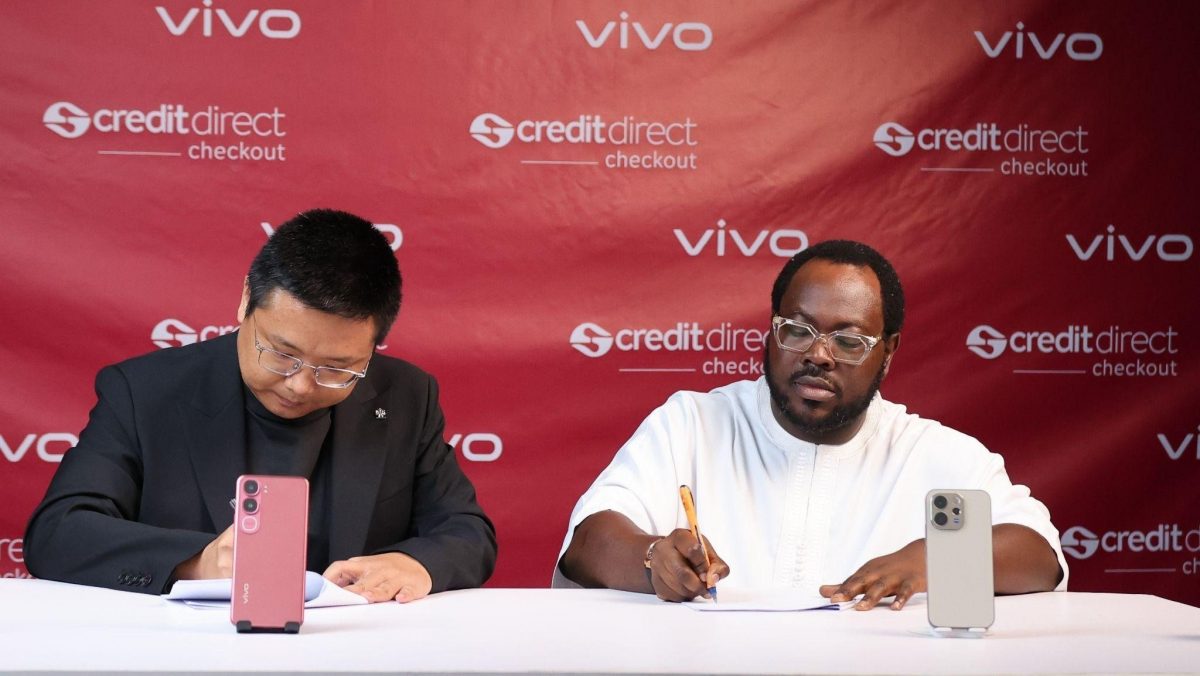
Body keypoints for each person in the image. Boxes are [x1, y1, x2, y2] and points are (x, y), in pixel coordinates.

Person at [555, 240, 1066, 609]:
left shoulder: (936, 453)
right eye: (798, 330)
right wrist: (653, 560)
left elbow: (1040, 556)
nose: (818, 355)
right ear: (771, 330)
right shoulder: (691, 424)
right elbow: (588, 541)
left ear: (888, 352)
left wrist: (932, 558)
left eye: (848, 341)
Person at [25, 209, 496, 603]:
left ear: (373, 347)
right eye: (281, 354)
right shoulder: (145, 391)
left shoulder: (406, 395)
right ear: (246, 299)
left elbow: (467, 530)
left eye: (336, 368)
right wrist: (197, 563)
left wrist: (415, 563)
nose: (300, 385)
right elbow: (57, 533)